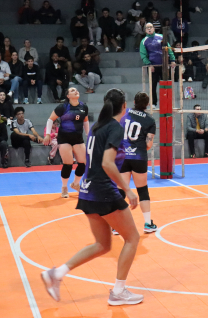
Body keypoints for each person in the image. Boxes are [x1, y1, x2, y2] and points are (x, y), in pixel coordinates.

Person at [41, 88, 143, 307]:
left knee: (102, 244)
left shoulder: (97, 127)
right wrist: (127, 188)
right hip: (102, 191)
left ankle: (56, 274)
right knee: (132, 238)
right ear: (124, 106)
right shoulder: (114, 128)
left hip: (88, 190)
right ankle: (118, 292)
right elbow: (107, 163)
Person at [119, 92, 158, 233]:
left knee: (121, 190)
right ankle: (147, 223)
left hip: (122, 156)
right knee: (142, 190)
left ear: (134, 102)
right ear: (147, 104)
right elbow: (148, 144)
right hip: (139, 157)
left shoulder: (124, 113)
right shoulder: (150, 120)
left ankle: (116, 226)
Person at [42, 88, 89, 197]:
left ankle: (75, 184)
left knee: (84, 163)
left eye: (76, 90)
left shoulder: (84, 106)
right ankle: (64, 187)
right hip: (64, 138)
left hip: (78, 138)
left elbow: (85, 121)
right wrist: (48, 134)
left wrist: (88, 135)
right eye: (72, 90)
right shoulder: (63, 107)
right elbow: (50, 119)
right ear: (68, 96)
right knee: (68, 164)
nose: (76, 91)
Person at [140, 23, 176, 107]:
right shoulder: (143, 41)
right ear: (145, 30)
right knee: (153, 85)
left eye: (151, 27)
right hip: (153, 66)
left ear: (154, 28)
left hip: (164, 65)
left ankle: (167, 103)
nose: (149, 29)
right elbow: (143, 55)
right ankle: (154, 103)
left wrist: (172, 60)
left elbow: (168, 49)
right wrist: (149, 64)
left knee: (166, 84)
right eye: (147, 28)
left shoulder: (161, 37)